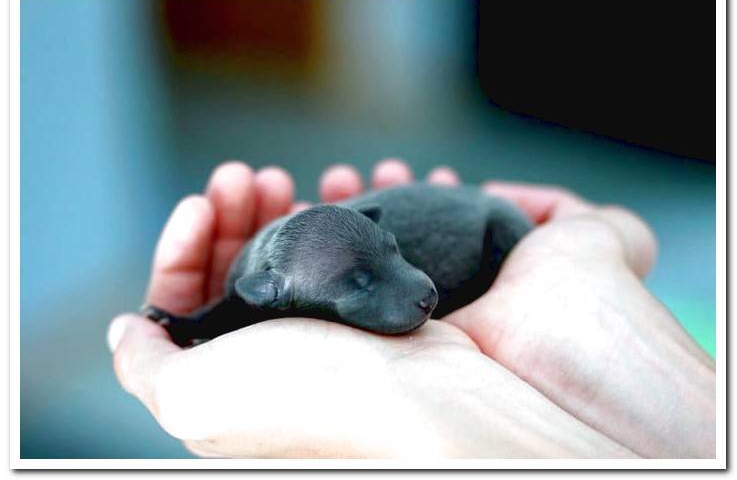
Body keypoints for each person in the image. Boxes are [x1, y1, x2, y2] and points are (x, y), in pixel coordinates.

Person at [107, 159, 715, 459]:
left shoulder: (329, 259)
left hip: (484, 232)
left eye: (392, 255)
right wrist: (188, 326)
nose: (417, 287)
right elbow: (227, 311)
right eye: (362, 283)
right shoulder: (257, 282)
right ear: (267, 293)